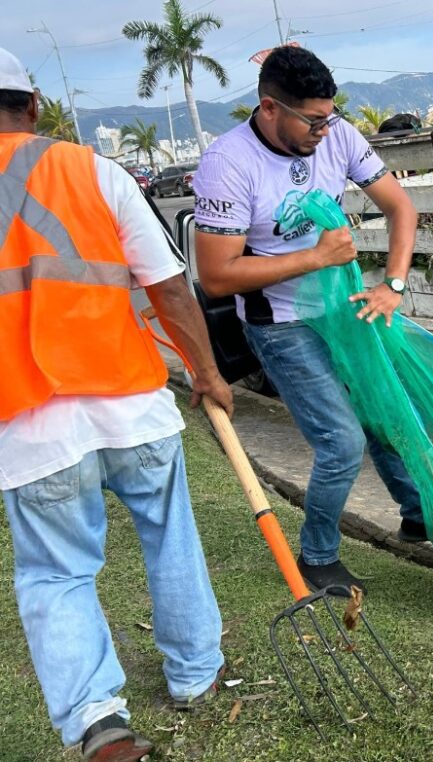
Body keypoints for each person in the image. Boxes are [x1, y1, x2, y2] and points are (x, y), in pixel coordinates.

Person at [0, 48, 231, 761]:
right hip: (132, 402)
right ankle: (196, 674)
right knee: (171, 535)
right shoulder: (94, 170)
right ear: (34, 107)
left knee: (56, 573)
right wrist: (207, 372)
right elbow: (167, 287)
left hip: (30, 425)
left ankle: (101, 723)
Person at [192, 45, 425, 594]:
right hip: (280, 324)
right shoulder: (227, 164)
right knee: (341, 442)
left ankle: (420, 517)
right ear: (271, 108)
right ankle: (317, 558)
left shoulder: (338, 133)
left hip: (344, 309)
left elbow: (401, 207)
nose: (326, 129)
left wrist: (392, 284)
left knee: (384, 412)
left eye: (331, 115)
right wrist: (315, 258)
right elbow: (218, 276)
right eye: (314, 119)